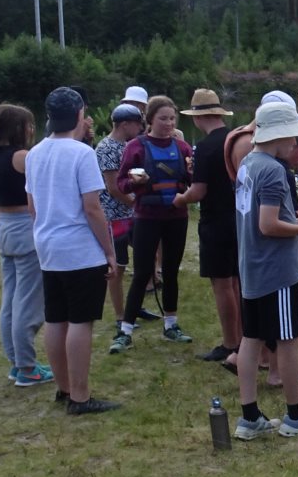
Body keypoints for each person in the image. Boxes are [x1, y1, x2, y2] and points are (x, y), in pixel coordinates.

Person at [231, 102, 298, 440]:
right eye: (291, 137)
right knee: (289, 340)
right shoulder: (274, 170)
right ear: (279, 136)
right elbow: (268, 225)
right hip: (276, 271)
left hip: (251, 266)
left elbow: (263, 219)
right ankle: (296, 415)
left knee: (251, 338)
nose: (294, 144)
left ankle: (250, 417)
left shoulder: (248, 164)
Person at [24, 87, 120, 415]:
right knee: (80, 320)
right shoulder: (82, 153)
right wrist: (109, 251)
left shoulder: (35, 153)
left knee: (56, 318)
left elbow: (32, 206)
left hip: (48, 245)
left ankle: (64, 388)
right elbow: (92, 207)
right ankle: (80, 396)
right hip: (79, 248)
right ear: (80, 115)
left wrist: (45, 231)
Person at [112, 96, 194, 352]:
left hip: (176, 218)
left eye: (172, 118)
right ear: (150, 120)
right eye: (163, 118)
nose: (169, 123)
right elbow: (121, 184)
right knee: (142, 273)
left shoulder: (183, 148)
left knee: (171, 271)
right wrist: (134, 182)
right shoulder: (135, 147)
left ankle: (171, 325)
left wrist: (193, 174)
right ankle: (125, 331)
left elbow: (192, 182)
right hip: (146, 217)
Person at [0, 103, 51, 385]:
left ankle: (15, 362)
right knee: (28, 302)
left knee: (10, 299)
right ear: (19, 128)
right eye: (29, 125)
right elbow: (41, 195)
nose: (32, 130)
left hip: (4, 227)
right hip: (25, 227)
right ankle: (27, 367)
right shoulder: (23, 157)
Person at [173, 89, 240, 363]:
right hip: (239, 218)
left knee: (221, 284)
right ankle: (244, 339)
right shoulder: (236, 139)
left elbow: (198, 191)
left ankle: (230, 343)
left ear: (198, 118)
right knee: (236, 281)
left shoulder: (206, 147)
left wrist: (181, 199)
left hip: (216, 221)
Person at [94, 103, 152, 327]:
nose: (141, 128)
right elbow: (113, 188)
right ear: (125, 124)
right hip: (114, 215)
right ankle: (120, 315)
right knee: (118, 267)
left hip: (131, 213)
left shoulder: (129, 145)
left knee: (142, 260)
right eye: (138, 124)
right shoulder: (106, 148)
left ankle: (135, 307)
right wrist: (137, 204)